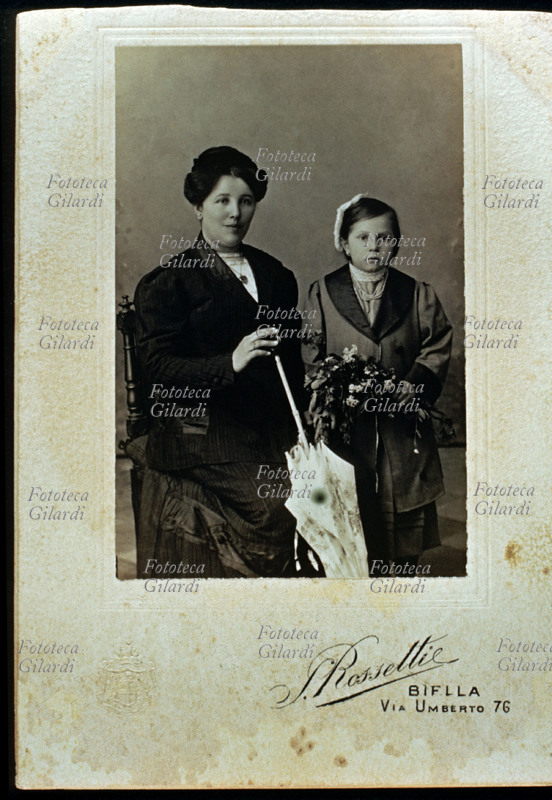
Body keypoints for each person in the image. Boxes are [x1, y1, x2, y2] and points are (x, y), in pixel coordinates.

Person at [134, 146, 304, 578]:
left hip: (264, 425)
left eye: (246, 201)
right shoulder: (169, 282)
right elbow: (159, 370)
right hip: (199, 429)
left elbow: (291, 366)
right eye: (222, 201)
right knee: (274, 507)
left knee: (319, 497)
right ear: (198, 206)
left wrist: (304, 425)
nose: (235, 214)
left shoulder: (276, 276)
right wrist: (231, 360)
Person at [302, 195, 453, 573]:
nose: (374, 247)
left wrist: (413, 384)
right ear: (344, 243)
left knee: (401, 502)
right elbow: (309, 351)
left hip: (400, 426)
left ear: (397, 243)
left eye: (384, 238)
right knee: (352, 505)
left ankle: (401, 569)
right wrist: (334, 386)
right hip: (347, 426)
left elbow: (437, 343)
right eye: (364, 237)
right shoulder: (323, 292)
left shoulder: (416, 293)